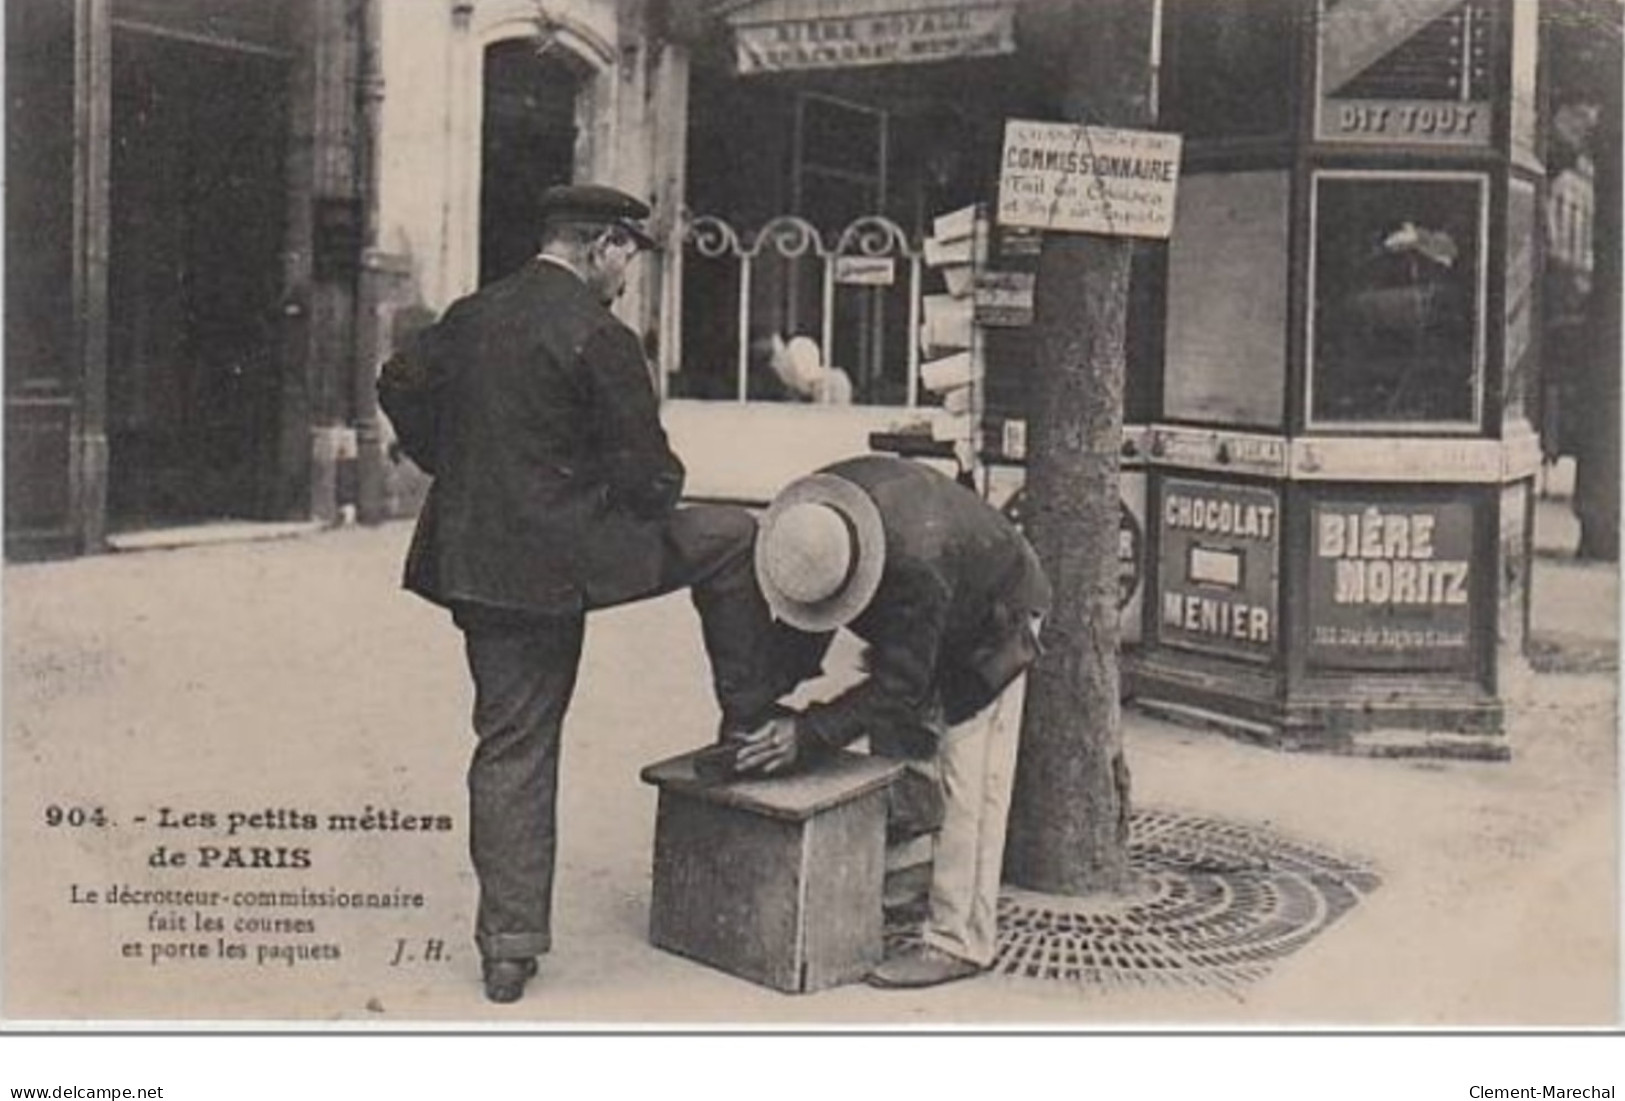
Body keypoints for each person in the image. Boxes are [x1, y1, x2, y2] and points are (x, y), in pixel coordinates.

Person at [395, 184, 784, 1004]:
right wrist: (627, 495)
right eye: (628, 260)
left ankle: (507, 948)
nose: (625, 279)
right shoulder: (598, 335)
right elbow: (651, 479)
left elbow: (397, 380)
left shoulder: (473, 313)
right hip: (568, 558)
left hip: (477, 562)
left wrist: (454, 465)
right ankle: (749, 717)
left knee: (512, 743)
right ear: (604, 245)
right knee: (733, 537)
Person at [730, 455, 1052, 989]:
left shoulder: (916, 569)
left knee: (969, 779)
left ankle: (960, 939)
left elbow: (900, 688)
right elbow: (807, 620)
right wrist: (760, 704)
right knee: (899, 744)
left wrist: (806, 733)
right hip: (938, 594)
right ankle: (910, 876)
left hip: (996, 623)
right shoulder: (815, 523)